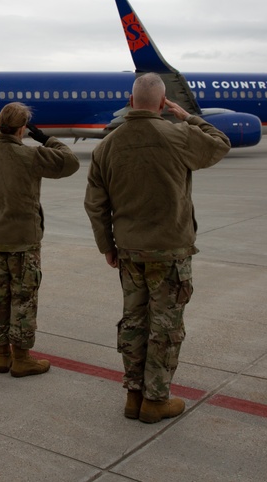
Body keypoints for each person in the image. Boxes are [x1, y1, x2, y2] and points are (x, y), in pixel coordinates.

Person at [84, 73, 231, 423]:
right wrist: (189, 116)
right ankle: (156, 399)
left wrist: (107, 244)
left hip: (129, 251)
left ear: (130, 101)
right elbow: (220, 142)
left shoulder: (106, 145)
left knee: (134, 321)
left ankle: (134, 395)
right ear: (163, 103)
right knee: (165, 326)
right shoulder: (178, 134)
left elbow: (95, 204)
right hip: (170, 252)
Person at [0, 102, 79, 377]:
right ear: (22, 128)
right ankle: (22, 358)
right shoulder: (30, 156)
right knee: (24, 300)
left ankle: (2, 356)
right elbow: (70, 162)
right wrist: (46, 138)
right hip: (23, 242)